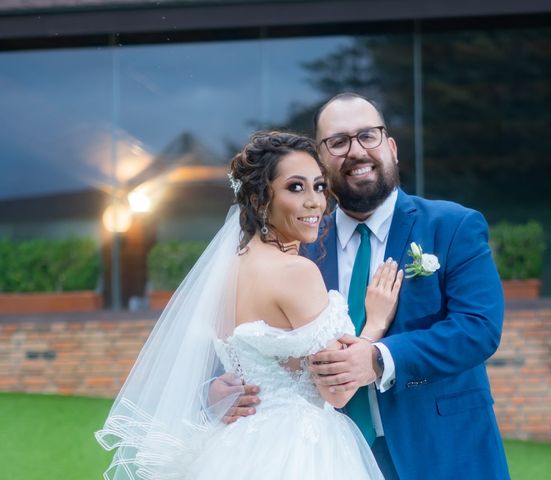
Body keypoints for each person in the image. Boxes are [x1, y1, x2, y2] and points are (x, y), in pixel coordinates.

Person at [225, 93, 512, 479]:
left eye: (368, 136)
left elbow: (478, 329)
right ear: (321, 161)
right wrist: (219, 390)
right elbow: (244, 333)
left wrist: (379, 358)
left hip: (440, 449)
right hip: (324, 457)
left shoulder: (452, 226)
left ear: (390, 147)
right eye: (338, 142)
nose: (356, 151)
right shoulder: (299, 243)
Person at [95, 131, 403, 480]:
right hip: (299, 452)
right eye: (295, 187)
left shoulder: (227, 271)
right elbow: (336, 392)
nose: (315, 202)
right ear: (259, 200)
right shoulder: (297, 272)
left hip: (234, 447)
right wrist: (374, 325)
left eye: (318, 186)